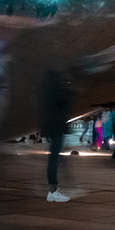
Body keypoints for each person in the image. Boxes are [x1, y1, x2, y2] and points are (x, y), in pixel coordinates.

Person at [41, 68, 73, 202]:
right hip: (57, 127)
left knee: (55, 157)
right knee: (54, 158)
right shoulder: (58, 91)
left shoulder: (46, 91)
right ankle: (53, 191)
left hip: (51, 127)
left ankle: (53, 189)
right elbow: (66, 102)